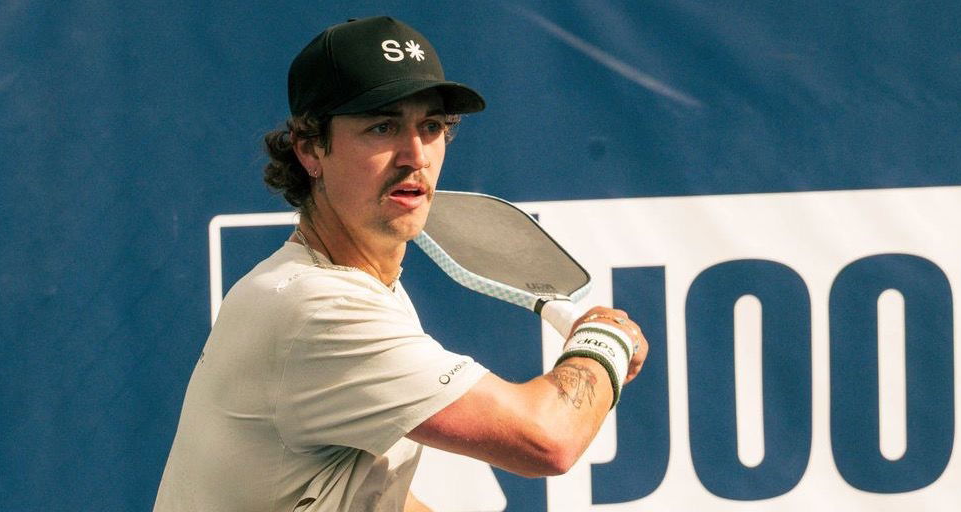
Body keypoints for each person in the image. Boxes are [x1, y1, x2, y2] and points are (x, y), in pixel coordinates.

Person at [154, 16, 649, 511]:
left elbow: (370, 490)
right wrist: (602, 340)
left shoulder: (350, 286)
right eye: (382, 126)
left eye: (431, 126)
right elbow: (547, 439)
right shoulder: (316, 310)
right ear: (310, 150)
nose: (415, 154)